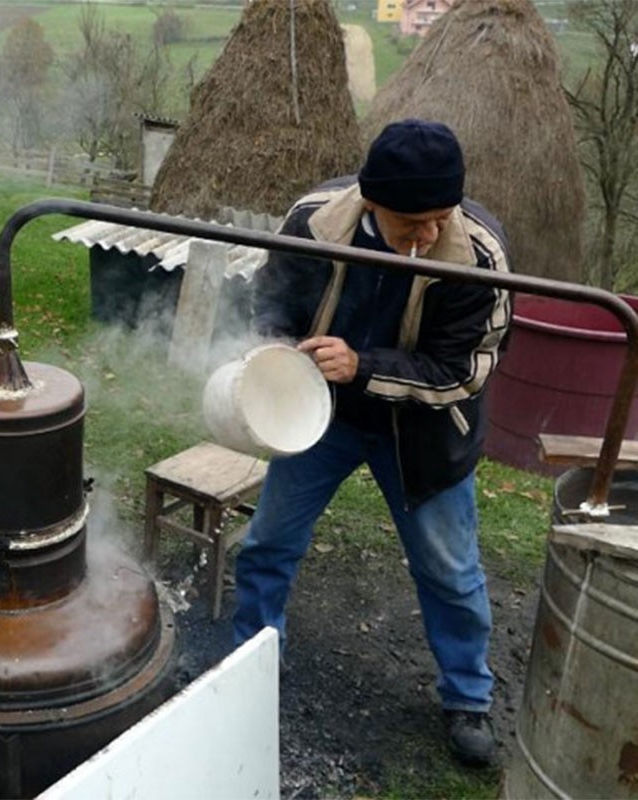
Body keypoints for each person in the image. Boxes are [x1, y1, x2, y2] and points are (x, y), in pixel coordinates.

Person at [233, 119, 512, 767]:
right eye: (411, 223)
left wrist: (363, 366)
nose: (430, 234)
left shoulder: (478, 256)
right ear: (371, 203)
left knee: (450, 571)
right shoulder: (314, 221)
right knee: (268, 543)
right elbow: (270, 298)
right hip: (320, 414)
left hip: (424, 431)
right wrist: (276, 347)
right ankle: (251, 660)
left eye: (442, 216)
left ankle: (467, 697)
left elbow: (464, 372)